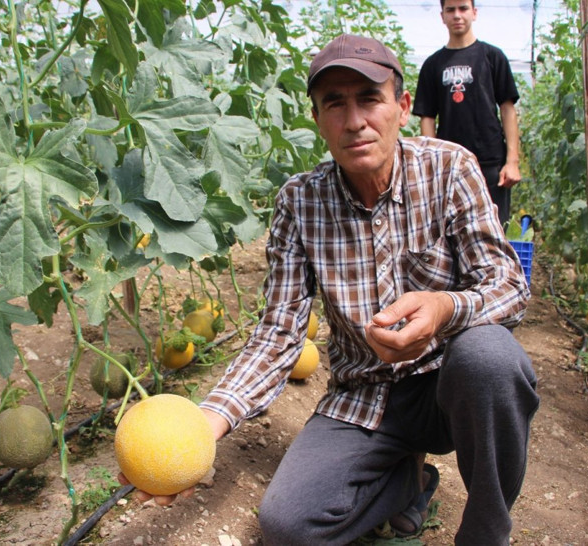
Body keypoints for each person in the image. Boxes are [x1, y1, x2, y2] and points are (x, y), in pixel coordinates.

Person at [120, 34, 539, 545]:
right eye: (335, 104)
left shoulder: (450, 169)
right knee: (288, 527)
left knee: (490, 356)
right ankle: (408, 480)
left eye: (370, 99)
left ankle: (486, 533)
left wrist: (443, 307)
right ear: (317, 119)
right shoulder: (299, 202)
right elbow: (279, 333)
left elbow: (508, 284)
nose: (354, 120)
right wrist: (204, 426)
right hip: (364, 398)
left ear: (403, 106)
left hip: (450, 392)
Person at [412, 0, 521, 227]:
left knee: (494, 231)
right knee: (451, 232)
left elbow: (508, 109)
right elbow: (427, 118)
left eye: (463, 8)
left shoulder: (493, 57)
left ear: (474, 13)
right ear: (442, 16)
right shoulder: (433, 65)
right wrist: (431, 167)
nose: (457, 15)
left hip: (491, 163)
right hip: (449, 166)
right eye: (450, 10)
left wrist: (512, 162)